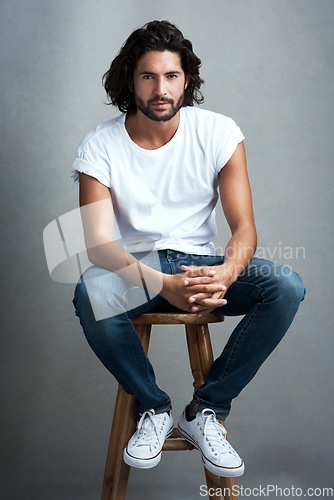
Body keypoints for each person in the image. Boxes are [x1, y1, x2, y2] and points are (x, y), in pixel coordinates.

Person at [71, 20, 305, 478]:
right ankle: (153, 408)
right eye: (148, 76)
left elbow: (244, 229)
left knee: (286, 285)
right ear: (129, 80)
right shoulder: (99, 145)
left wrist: (226, 274)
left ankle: (205, 411)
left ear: (187, 79)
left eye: (172, 76)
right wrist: (164, 285)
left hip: (204, 263)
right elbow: (99, 247)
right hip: (138, 270)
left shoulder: (219, 132)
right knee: (90, 291)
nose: (162, 88)